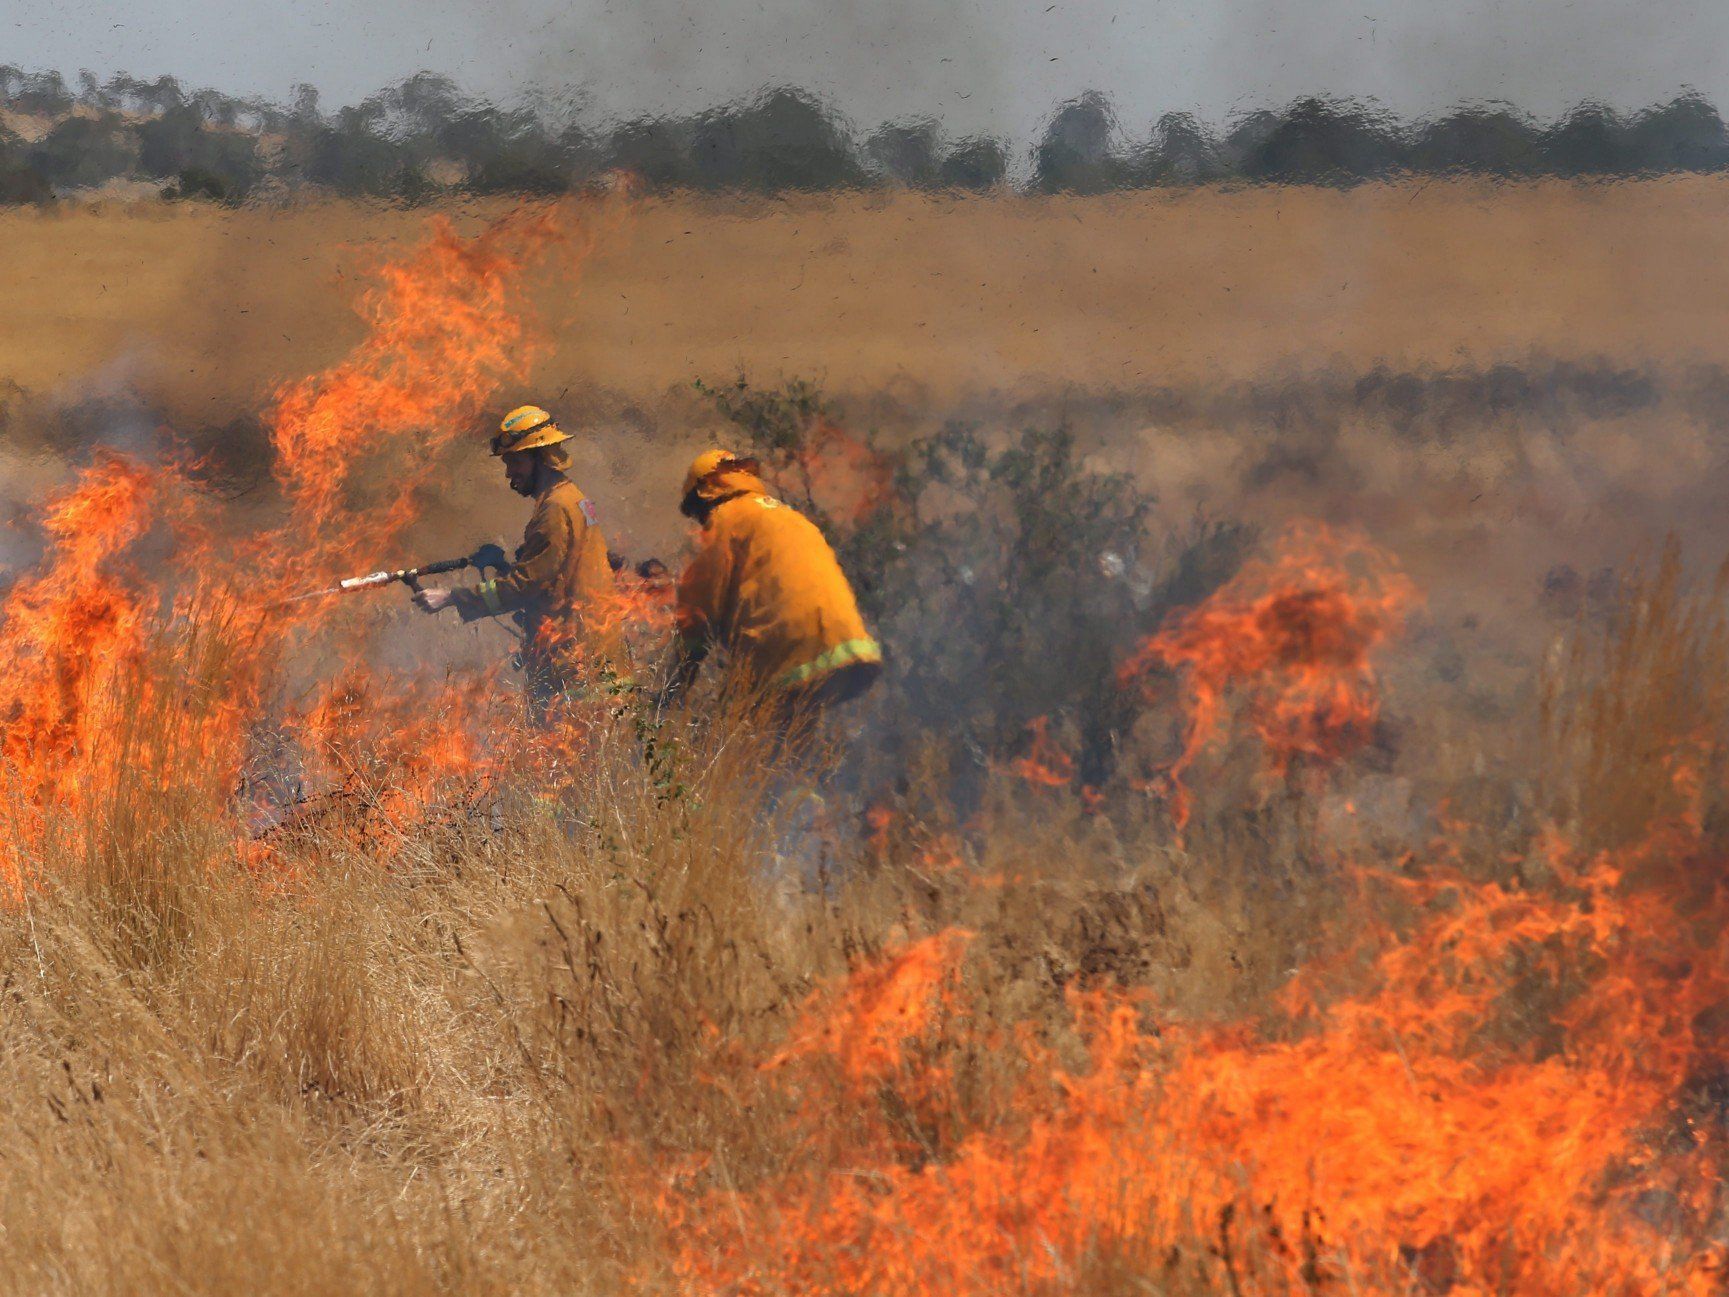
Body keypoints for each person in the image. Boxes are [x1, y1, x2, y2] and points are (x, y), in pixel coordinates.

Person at [414, 405, 621, 715]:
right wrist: (505, 567)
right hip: (595, 651)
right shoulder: (572, 497)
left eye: (515, 462)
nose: (510, 473)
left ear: (540, 456)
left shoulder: (553, 511)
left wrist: (451, 597)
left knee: (560, 754)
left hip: (573, 662)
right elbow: (556, 575)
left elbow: (525, 587)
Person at [661, 449, 882, 719]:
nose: (700, 522)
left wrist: (671, 691)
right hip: (849, 645)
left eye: (696, 512)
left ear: (705, 494)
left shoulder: (726, 519)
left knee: (738, 739)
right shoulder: (786, 516)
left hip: (792, 648)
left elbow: (698, 612)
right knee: (792, 745)